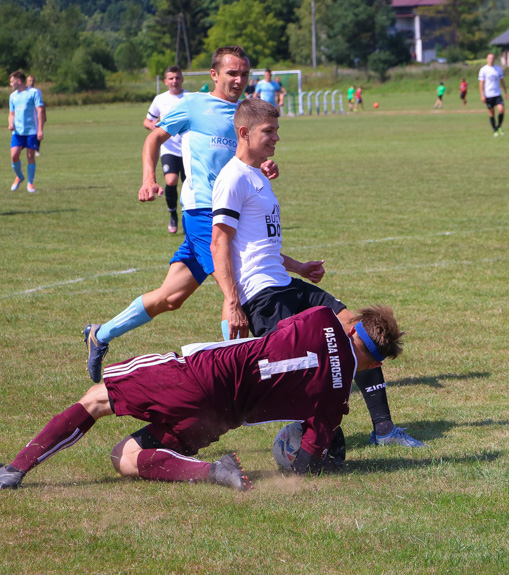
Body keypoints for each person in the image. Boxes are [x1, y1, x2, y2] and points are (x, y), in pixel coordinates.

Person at [0, 304, 404, 491]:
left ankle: (16, 469)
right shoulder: (336, 402)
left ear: (355, 330)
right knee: (124, 457)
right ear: (373, 365)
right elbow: (309, 462)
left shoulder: (319, 319)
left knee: (95, 399)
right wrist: (299, 461)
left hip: (201, 374)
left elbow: (299, 331)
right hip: (223, 415)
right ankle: (211, 471)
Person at [211, 98, 426, 448]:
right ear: (244, 132)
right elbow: (219, 243)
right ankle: (306, 438)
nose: (276, 137)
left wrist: (299, 267)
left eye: (277, 130)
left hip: (285, 284)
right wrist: (232, 302)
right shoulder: (233, 178)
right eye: (269, 131)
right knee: (302, 370)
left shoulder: (255, 175)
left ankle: (384, 430)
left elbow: (260, 247)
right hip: (264, 297)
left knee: (360, 331)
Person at [83, 45, 278, 384]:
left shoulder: (248, 113)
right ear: (214, 75)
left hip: (234, 211)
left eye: (244, 73)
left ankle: (100, 334)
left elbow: (247, 157)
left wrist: (265, 166)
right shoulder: (194, 105)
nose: (239, 79)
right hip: (204, 210)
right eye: (232, 73)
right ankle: (240, 377)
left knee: (170, 298)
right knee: (235, 284)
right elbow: (154, 138)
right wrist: (149, 178)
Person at [144, 66, 188, 234]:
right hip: (169, 149)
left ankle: (187, 219)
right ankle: (172, 215)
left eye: (177, 77)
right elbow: (147, 121)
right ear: (165, 81)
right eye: (171, 78)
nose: (174, 81)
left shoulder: (189, 98)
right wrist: (153, 126)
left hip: (188, 150)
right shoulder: (160, 99)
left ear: (182, 79)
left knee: (188, 186)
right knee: (170, 181)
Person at [8, 70, 44, 193]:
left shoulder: (33, 93)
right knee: (14, 155)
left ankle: (30, 183)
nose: (10, 84)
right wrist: (10, 123)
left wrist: (40, 130)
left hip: (31, 131)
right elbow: (11, 113)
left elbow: (40, 111)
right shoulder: (12, 96)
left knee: (30, 157)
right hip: (17, 132)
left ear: (19, 81)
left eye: (12, 81)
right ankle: (19, 176)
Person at [478, 53, 508, 137]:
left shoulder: (498, 69)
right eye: (489, 58)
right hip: (488, 94)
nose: (491, 59)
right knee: (491, 113)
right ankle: (494, 129)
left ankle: (499, 126)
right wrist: (482, 95)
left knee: (501, 110)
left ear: (494, 59)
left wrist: (505, 92)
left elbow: (502, 81)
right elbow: (481, 83)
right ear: (487, 59)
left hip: (497, 93)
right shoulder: (483, 70)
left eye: (493, 58)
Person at [26, 75, 45, 157]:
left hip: (37, 115)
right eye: (30, 80)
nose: (31, 82)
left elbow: (42, 105)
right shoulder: (24, 91)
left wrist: (44, 115)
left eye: (33, 80)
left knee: (38, 132)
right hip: (28, 116)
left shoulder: (37, 91)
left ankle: (37, 149)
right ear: (26, 81)